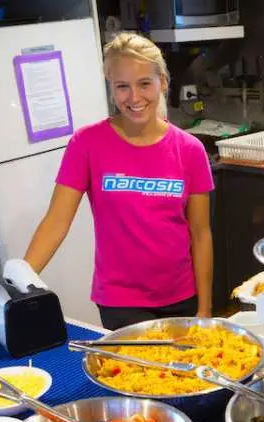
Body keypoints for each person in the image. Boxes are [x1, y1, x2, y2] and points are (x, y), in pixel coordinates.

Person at [13, 32, 214, 330]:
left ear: (162, 82)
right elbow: (56, 222)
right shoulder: (87, 144)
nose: (134, 97)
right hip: (120, 301)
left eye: (144, 83)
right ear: (111, 87)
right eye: (122, 86)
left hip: (181, 295)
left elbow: (200, 233)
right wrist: (18, 285)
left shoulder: (190, 150)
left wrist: (205, 308)